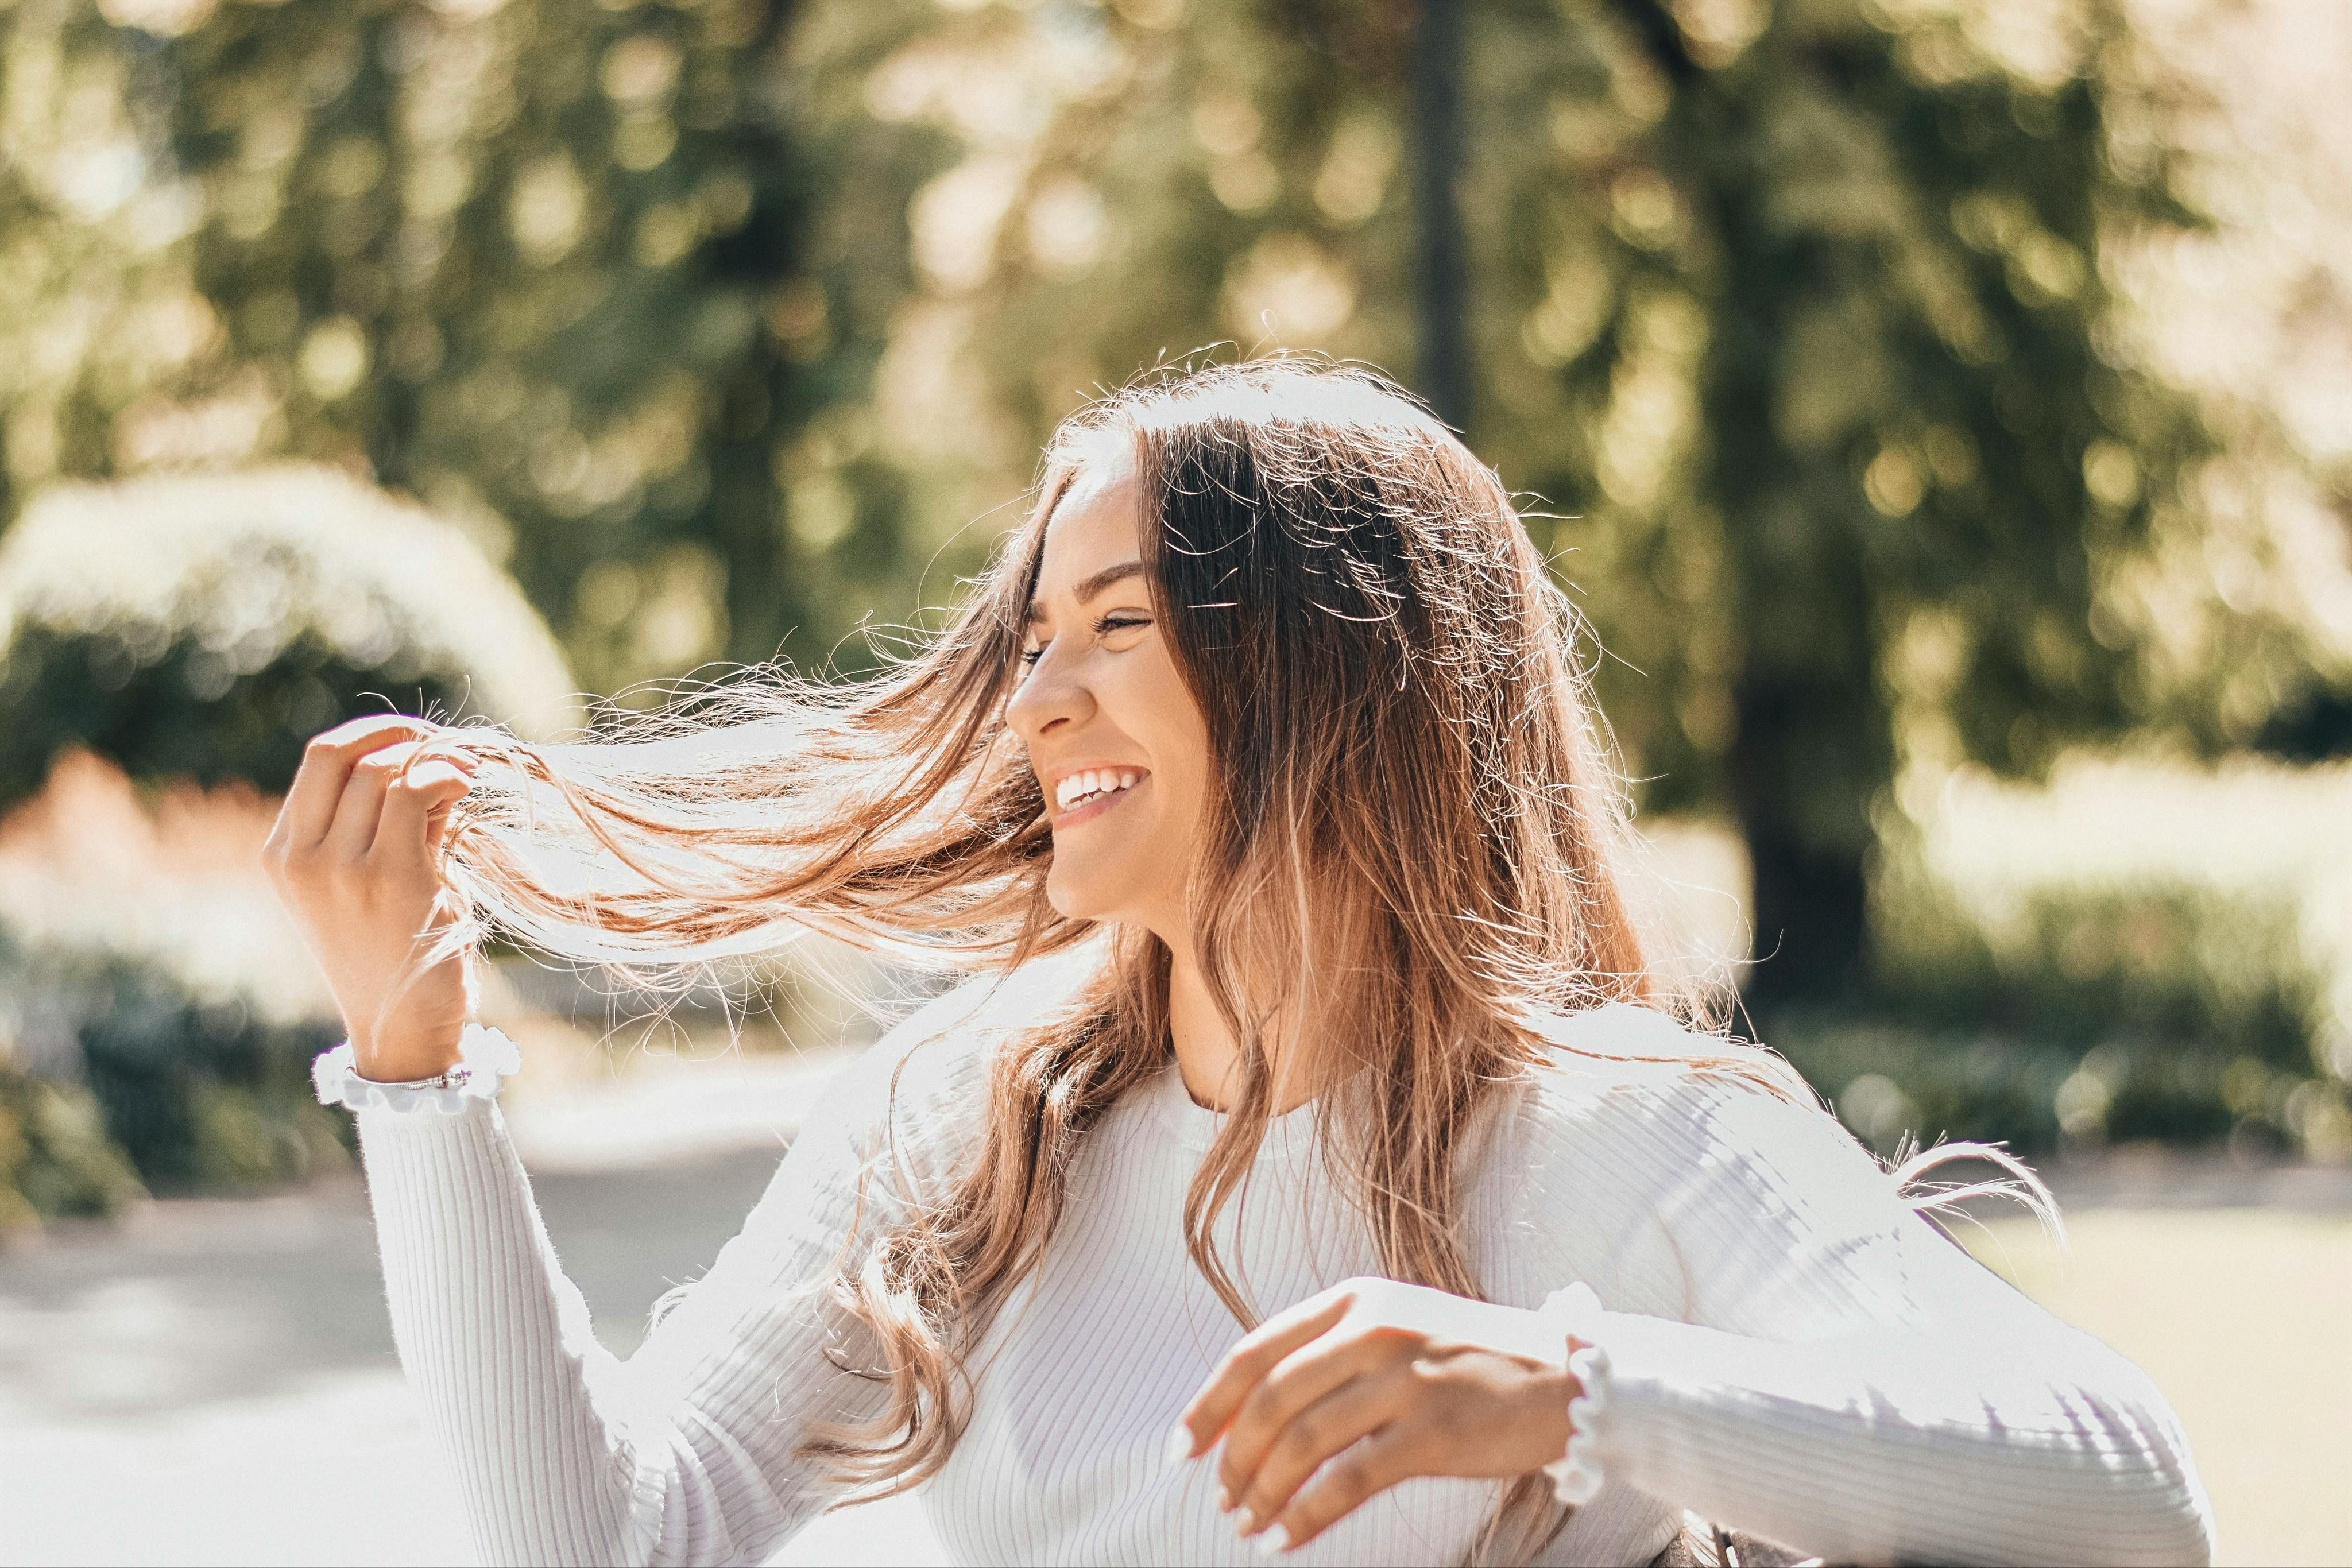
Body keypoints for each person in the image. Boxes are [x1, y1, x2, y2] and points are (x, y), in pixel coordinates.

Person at [266, 361, 2212, 1568]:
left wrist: (1573, 1388)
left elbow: (2132, 1490)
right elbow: (600, 1544)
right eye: (1033, 638)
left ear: (1327, 666)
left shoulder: (1623, 1137)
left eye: (1116, 622)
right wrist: (421, 1071)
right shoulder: (968, 1112)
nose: (1041, 695)